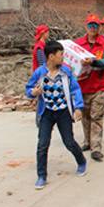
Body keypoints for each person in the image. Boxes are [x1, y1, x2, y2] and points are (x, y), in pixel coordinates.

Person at [25, 40, 87, 190]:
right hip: (46, 112)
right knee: (42, 144)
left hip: (63, 112)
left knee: (69, 142)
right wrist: (34, 92)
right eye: (61, 55)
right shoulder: (40, 73)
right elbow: (28, 89)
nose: (63, 58)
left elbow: (75, 89)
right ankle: (41, 176)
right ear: (51, 56)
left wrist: (78, 108)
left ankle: (81, 161)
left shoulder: (66, 71)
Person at [74, 14, 104, 162]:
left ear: (99, 28)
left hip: (99, 86)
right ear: (86, 26)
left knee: (96, 117)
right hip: (83, 86)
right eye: (90, 25)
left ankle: (96, 148)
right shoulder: (78, 43)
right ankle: (87, 142)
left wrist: (93, 61)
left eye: (95, 26)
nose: (93, 28)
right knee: (85, 116)